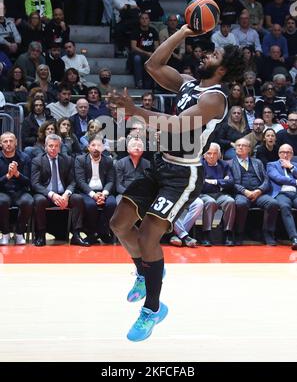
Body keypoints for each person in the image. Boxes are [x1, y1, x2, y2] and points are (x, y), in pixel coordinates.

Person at [109, 24, 245, 342]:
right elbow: (153, 65)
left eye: (214, 53)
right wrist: (182, 33)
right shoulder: (188, 84)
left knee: (147, 237)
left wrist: (134, 111)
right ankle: (145, 272)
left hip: (183, 175)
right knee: (119, 223)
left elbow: (177, 126)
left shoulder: (216, 99)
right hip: (159, 164)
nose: (205, 53)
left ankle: (153, 309)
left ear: (221, 68)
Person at [31, 134, 87, 247]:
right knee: (39, 200)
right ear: (45, 147)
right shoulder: (37, 161)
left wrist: (66, 194)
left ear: (60, 147)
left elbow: (73, 181)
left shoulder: (67, 159)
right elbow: (35, 184)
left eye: (56, 146)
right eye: (50, 146)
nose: (53, 148)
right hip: (46, 194)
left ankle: (76, 234)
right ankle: (41, 235)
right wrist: (52, 195)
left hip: (63, 194)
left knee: (78, 198)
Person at [0, 132, 33, 245]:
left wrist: (17, 174)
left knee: (28, 201)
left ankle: (19, 233)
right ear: (1, 144)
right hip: (3, 191)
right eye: (5, 141)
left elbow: (29, 181)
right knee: (1, 201)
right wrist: (7, 176)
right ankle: (5, 234)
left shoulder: (25, 157)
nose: (8, 144)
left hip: (20, 191)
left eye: (11, 141)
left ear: (16, 142)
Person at [266, 144, 297, 250]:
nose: (285, 155)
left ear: (292, 154)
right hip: (281, 193)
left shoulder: (295, 165)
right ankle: (294, 238)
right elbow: (277, 178)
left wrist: (291, 167)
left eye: (288, 152)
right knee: (284, 207)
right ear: (279, 154)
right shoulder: (271, 165)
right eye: (283, 152)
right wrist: (295, 181)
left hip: (295, 193)